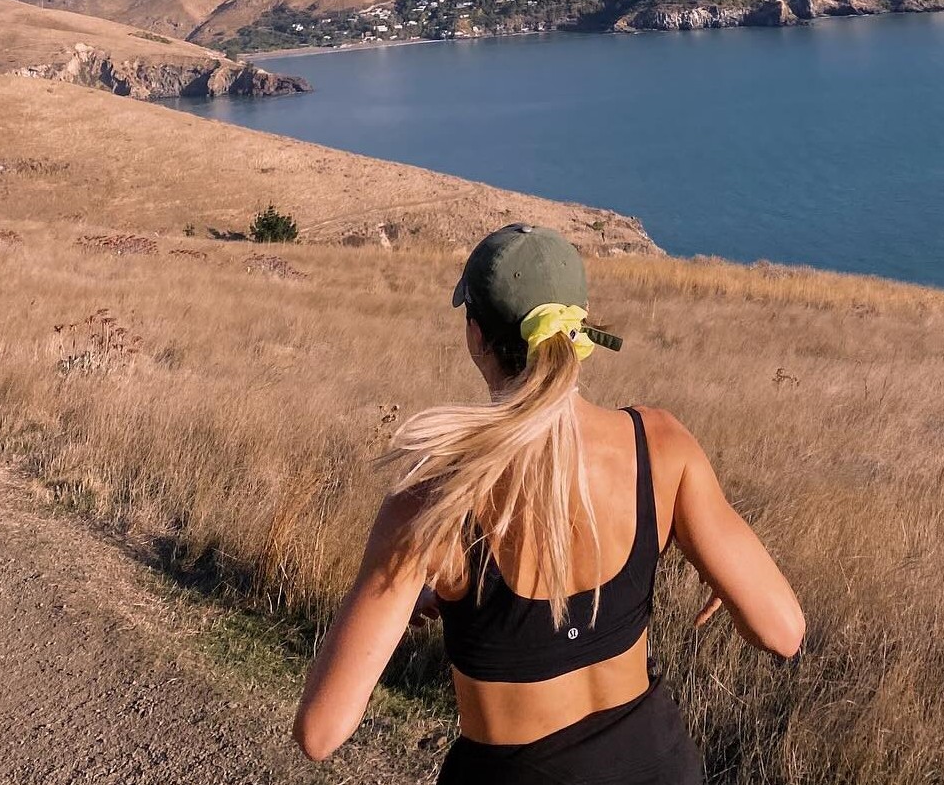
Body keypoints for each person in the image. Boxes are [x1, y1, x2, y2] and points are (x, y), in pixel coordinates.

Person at [293, 223, 805, 783]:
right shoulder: (661, 446)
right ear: (581, 330)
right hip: (660, 764)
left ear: (475, 337)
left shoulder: (436, 496)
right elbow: (782, 631)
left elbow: (321, 732)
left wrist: (402, 581)